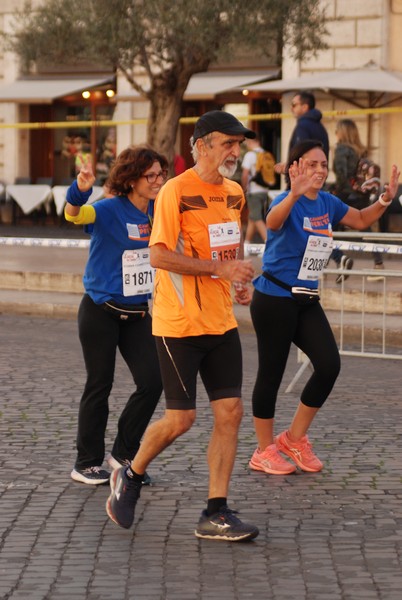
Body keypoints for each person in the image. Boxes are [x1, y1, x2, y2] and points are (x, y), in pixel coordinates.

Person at [106, 110, 259, 542]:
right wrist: (217, 269)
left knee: (230, 412)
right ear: (202, 145)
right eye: (227, 142)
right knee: (181, 419)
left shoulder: (233, 191)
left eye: (238, 143)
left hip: (221, 320)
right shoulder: (175, 190)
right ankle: (130, 474)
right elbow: (157, 255)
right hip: (178, 324)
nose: (235, 150)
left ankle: (216, 511)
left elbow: (233, 242)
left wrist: (238, 279)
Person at [248, 139, 399, 476]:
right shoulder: (285, 200)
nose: (319, 170)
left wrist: (386, 198)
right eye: (312, 164)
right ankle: (262, 450)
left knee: (329, 364)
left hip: (306, 298)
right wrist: (293, 193)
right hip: (274, 297)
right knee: (270, 375)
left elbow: (360, 219)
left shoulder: (327, 203)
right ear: (295, 167)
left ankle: (294, 438)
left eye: (322, 164)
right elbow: (272, 222)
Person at [65, 145, 167, 485]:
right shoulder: (109, 210)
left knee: (153, 381)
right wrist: (80, 189)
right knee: (100, 384)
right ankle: (87, 462)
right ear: (132, 178)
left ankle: (123, 453)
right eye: (150, 175)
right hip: (100, 310)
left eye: (160, 174)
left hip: (138, 313)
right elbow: (74, 215)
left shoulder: (158, 212)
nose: (157, 180)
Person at [333, 118, 384, 281]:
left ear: (342, 132)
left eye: (337, 130)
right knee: (366, 229)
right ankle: (378, 264)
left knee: (324, 228)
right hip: (361, 195)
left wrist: (336, 195)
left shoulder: (341, 149)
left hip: (346, 195)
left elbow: (342, 176)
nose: (335, 133)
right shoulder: (360, 150)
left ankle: (338, 260)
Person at [241, 136, 269, 244]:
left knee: (256, 218)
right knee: (252, 216)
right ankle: (247, 243)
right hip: (264, 190)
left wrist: (244, 189)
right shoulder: (265, 154)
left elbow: (245, 174)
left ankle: (270, 243)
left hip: (254, 191)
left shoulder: (250, 155)